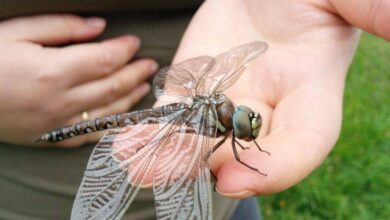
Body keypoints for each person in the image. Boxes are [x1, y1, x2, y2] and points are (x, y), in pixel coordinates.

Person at [0, 0, 388, 219]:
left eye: (247, 122)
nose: (249, 124)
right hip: (27, 197)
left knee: (229, 194)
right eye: (246, 124)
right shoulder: (213, 125)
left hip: (228, 208)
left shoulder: (221, 104)